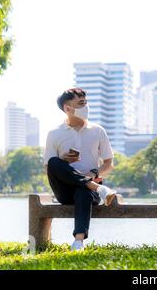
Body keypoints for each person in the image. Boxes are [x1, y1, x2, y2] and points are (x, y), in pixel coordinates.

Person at [43, 87, 118, 251]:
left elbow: (108, 164)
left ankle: (78, 242)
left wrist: (94, 173)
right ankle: (97, 187)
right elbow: (49, 168)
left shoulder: (98, 131)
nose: (86, 107)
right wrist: (62, 159)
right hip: (65, 191)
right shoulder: (54, 133)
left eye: (86, 102)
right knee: (55, 161)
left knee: (83, 191)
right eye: (81, 103)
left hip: (89, 193)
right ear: (67, 109)